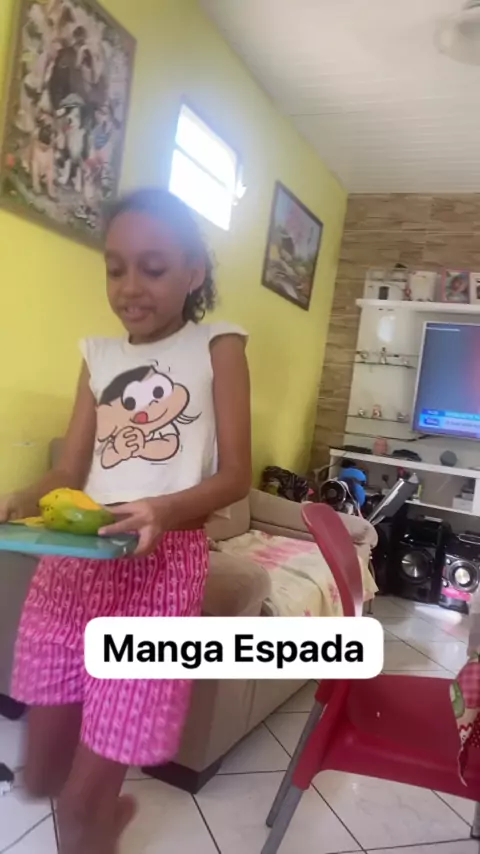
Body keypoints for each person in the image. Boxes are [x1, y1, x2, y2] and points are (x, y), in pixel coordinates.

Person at [0, 188, 251, 854]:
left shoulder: (219, 347)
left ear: (193, 272)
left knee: (79, 803)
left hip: (156, 579)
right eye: (115, 268)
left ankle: (96, 823)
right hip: (76, 570)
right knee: (38, 777)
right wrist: (18, 496)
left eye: (153, 267)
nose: (130, 286)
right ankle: (102, 824)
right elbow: (69, 471)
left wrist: (163, 511)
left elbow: (235, 476)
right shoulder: (97, 356)